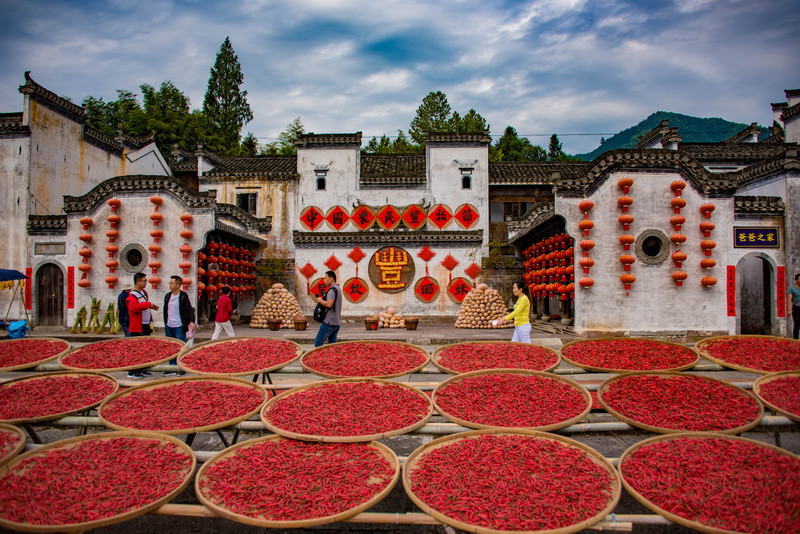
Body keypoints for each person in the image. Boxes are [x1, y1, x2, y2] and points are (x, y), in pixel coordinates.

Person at [126, 273, 159, 378]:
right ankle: (134, 371)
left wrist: (150, 306)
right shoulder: (132, 295)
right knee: (137, 349)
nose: (146, 283)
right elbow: (133, 308)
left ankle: (142, 368)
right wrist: (147, 305)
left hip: (145, 324)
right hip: (137, 325)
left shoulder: (143, 293)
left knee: (144, 349)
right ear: (137, 282)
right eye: (144, 281)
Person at [162, 275, 195, 375]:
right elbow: (165, 309)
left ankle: (181, 367)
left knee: (181, 347)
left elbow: (189, 309)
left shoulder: (183, 296)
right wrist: (165, 322)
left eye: (172, 283)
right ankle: (171, 367)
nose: (170, 285)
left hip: (179, 325)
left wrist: (192, 321)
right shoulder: (168, 296)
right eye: (170, 283)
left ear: (178, 285)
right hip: (169, 325)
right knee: (171, 347)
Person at [313, 270, 341, 347]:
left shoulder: (332, 290)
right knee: (332, 346)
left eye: (325, 278)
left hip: (329, 322)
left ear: (331, 278)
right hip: (336, 322)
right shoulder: (338, 289)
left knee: (318, 343)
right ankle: (331, 358)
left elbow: (329, 304)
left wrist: (320, 300)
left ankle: (319, 358)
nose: (324, 280)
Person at [789, 273, 800, 340]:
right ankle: (795, 340)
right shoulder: (792, 289)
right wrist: (789, 310)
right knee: (797, 324)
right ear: (796, 280)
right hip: (796, 308)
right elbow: (789, 300)